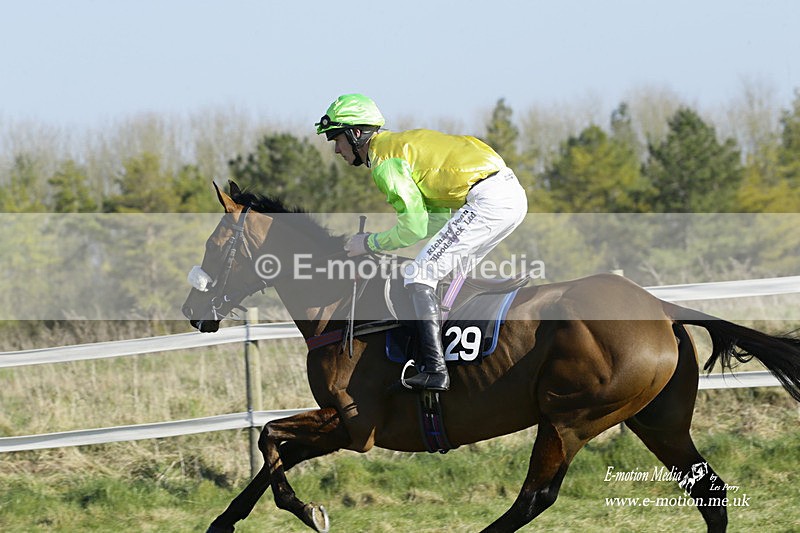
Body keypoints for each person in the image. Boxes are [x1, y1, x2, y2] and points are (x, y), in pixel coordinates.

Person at [316, 94, 528, 391]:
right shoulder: (403, 147)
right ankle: (452, 349)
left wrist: (369, 243)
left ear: (355, 134)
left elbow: (414, 226)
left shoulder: (385, 162)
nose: (336, 150)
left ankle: (435, 369)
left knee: (419, 274)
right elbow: (437, 223)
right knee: (443, 274)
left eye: (335, 140)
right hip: (510, 195)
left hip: (488, 200)